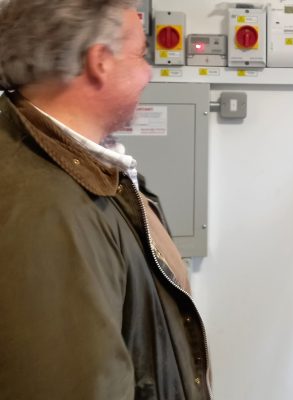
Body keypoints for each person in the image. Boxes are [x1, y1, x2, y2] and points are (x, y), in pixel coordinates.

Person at [0, 1, 211, 399]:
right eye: (142, 54)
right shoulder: (48, 211)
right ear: (101, 61)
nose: (148, 73)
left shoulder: (87, 168)